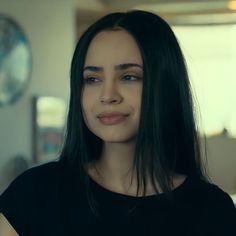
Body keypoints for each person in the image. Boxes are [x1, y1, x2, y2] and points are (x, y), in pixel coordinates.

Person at [0, 10, 235, 236]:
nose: (108, 95)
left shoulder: (212, 210)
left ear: (165, 86)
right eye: (92, 79)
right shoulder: (33, 194)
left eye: (129, 77)